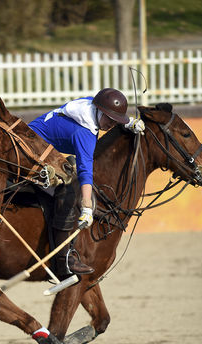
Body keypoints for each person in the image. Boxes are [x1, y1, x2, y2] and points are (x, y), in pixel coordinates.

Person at [28, 88, 145, 278]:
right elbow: (85, 170)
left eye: (116, 121)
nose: (111, 124)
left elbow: (110, 113)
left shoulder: (90, 104)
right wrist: (87, 205)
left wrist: (128, 122)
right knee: (68, 188)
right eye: (110, 119)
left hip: (37, 144)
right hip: (31, 153)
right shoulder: (84, 134)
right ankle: (64, 257)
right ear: (99, 112)